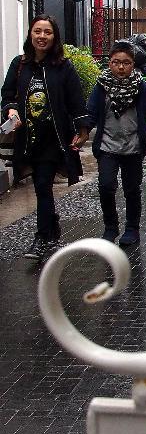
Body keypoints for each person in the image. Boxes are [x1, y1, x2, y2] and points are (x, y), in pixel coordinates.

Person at [0, 14, 89, 260]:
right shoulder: (20, 64)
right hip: (27, 138)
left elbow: (76, 101)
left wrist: (82, 130)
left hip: (54, 139)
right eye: (38, 31)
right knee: (41, 188)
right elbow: (7, 93)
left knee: (42, 185)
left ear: (54, 36)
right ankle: (52, 225)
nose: (42, 36)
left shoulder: (63, 66)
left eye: (47, 32)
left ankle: (42, 238)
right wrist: (10, 108)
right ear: (31, 34)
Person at [74, 41, 146, 245]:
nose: (121, 67)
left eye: (126, 63)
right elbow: (91, 113)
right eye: (116, 62)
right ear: (109, 63)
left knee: (132, 188)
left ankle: (132, 229)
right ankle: (110, 227)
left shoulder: (140, 85)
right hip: (107, 146)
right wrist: (82, 132)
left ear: (133, 64)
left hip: (133, 147)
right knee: (105, 186)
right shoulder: (101, 85)